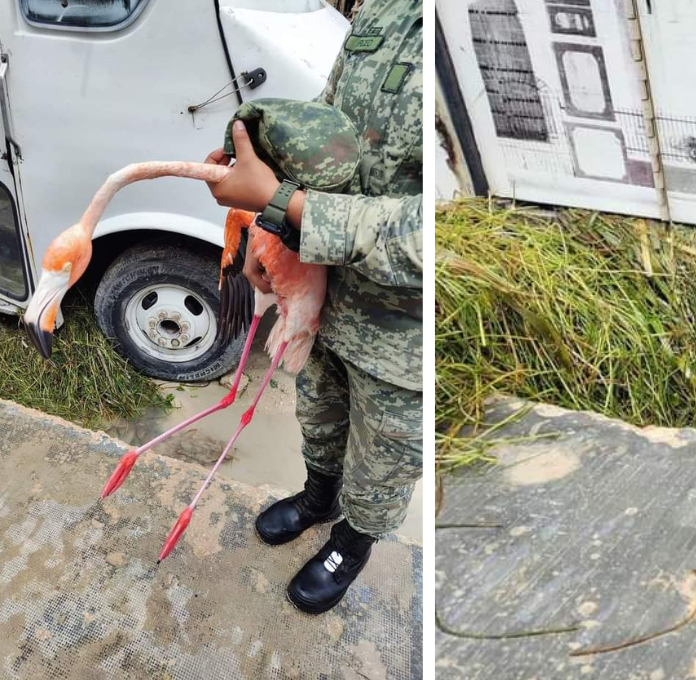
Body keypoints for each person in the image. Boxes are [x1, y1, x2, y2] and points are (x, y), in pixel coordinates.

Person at [203, 0, 422, 615]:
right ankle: (319, 497)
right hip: (328, 293)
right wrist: (262, 229)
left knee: (385, 454)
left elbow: (436, 231)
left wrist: (285, 205)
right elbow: (328, 128)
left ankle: (350, 544)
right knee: (319, 412)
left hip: (407, 330)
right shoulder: (387, 6)